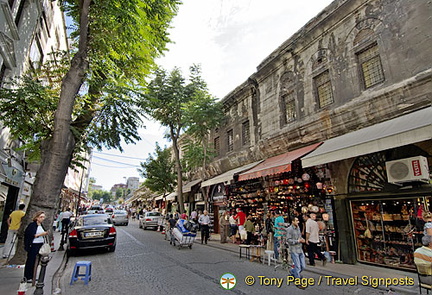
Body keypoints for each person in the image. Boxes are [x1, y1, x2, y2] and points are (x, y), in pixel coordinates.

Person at [24, 211, 49, 283]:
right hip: (33, 244)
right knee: (31, 260)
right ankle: (28, 276)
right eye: (41, 217)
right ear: (37, 217)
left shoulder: (41, 225)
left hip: (40, 244)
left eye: (43, 217)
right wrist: (41, 234)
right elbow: (30, 235)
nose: (42, 218)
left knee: (36, 261)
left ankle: (33, 276)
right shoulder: (32, 225)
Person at [287, 217, 306, 289]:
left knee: (303, 266)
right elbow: (288, 240)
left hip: (300, 249)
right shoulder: (289, 229)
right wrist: (297, 241)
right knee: (297, 266)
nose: (298, 222)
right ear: (292, 221)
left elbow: (299, 237)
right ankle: (298, 283)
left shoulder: (298, 228)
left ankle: (292, 273)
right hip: (294, 250)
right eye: (296, 220)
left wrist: (302, 240)